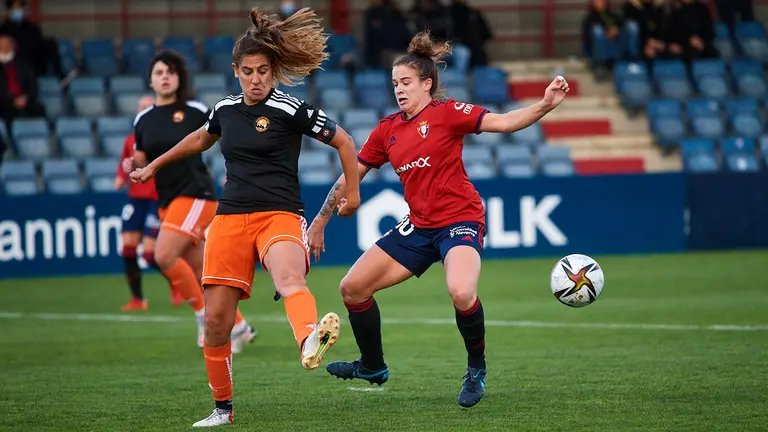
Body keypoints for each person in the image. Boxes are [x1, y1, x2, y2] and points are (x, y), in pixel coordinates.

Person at [307, 31, 569, 408]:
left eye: (406, 82)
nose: (399, 90)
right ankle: (373, 366)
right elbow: (351, 175)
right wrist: (320, 221)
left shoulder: (447, 114)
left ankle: (476, 367)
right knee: (352, 288)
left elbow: (506, 122)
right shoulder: (387, 130)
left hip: (460, 219)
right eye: (395, 83)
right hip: (419, 225)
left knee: (462, 292)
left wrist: (545, 105)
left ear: (427, 85)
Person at [130, 8, 361, 427]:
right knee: (217, 323)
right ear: (236, 71)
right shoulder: (224, 110)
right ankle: (223, 409)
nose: (257, 79)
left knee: (289, 277)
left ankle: (309, 337)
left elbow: (345, 142)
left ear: (274, 72)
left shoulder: (291, 109)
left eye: (264, 71)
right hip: (230, 219)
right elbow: (199, 139)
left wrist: (355, 194)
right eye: (249, 71)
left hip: (280, 214)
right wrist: (152, 167)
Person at [127, 50, 255, 352]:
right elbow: (140, 162)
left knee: (163, 255)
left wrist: (234, 173)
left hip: (196, 193)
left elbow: (230, 141)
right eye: (159, 72)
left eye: (171, 71)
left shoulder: (197, 110)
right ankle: (237, 325)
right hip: (168, 200)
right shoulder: (142, 119)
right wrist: (132, 168)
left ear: (180, 78)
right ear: (150, 80)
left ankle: (204, 316)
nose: (165, 77)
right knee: (202, 272)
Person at [116, 95, 185, 311]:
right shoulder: (130, 140)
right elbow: (125, 165)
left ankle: (177, 282)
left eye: (148, 107)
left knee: (149, 253)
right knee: (127, 249)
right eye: (141, 107)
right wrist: (121, 175)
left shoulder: (160, 137)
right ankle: (138, 299)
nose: (143, 110)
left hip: (156, 197)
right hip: (135, 198)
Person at [0, 0, 64, 78]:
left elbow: (39, 43)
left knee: (50, 43)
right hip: (15, 63)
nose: (18, 11)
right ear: (9, 11)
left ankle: (61, 77)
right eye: (15, 8)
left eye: (20, 8)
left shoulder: (30, 27)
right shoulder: (4, 29)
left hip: (33, 62)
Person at [0, 34, 44, 134]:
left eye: (6, 44)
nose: (3, 46)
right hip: (4, 102)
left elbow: (32, 84)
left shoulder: (23, 63)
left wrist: (26, 97)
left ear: (12, 46)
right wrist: (12, 99)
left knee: (38, 109)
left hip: (24, 99)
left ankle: (36, 135)